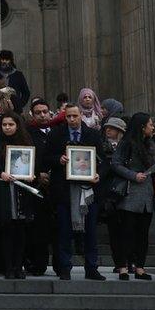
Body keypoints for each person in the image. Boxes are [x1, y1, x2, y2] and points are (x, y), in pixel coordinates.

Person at [46, 104, 105, 281]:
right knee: (64, 230)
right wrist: (59, 159)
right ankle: (65, 267)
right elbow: (45, 158)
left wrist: (97, 174)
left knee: (90, 232)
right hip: (64, 190)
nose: (72, 119)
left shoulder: (93, 135)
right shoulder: (56, 135)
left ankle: (91, 267)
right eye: (69, 116)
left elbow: (102, 160)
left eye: (75, 116)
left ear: (81, 116)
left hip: (87, 190)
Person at [0, 112, 36, 280]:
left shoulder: (26, 143)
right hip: (4, 191)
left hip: (22, 191)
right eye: (4, 125)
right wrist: (0, 173)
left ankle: (18, 265)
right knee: (6, 231)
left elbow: (33, 165)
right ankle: (8, 267)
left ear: (17, 125)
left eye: (11, 124)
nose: (7, 127)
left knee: (20, 232)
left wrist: (31, 175)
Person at [110, 112, 155, 281]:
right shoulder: (127, 143)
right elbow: (115, 163)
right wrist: (133, 175)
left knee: (142, 234)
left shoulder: (151, 144)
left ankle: (140, 268)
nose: (153, 127)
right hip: (130, 193)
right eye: (150, 124)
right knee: (126, 232)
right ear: (142, 127)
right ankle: (122, 267)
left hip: (147, 195)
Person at [100, 117, 128, 275]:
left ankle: (129, 260)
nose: (108, 130)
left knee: (127, 230)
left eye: (112, 128)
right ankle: (119, 262)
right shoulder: (102, 147)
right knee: (114, 231)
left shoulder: (127, 148)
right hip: (109, 193)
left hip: (125, 191)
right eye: (106, 128)